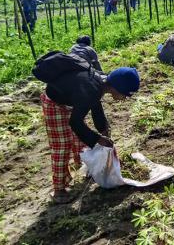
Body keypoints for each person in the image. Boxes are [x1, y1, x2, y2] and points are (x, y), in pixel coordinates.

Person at [41, 66, 140, 203]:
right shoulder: (91, 89)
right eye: (126, 94)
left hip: (70, 100)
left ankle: (83, 167)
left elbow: (95, 106)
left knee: (79, 139)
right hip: (54, 103)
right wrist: (98, 138)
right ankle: (59, 190)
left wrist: (103, 129)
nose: (124, 99)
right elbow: (75, 122)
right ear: (117, 88)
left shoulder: (101, 83)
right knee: (62, 146)